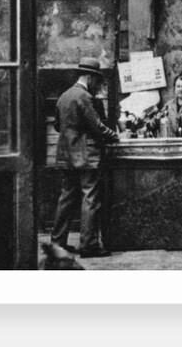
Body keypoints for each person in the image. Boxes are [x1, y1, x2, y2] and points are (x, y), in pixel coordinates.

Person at [50, 57, 119, 258]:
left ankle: (58, 243)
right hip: (86, 157)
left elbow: (57, 126)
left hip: (65, 155)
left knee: (66, 199)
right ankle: (89, 245)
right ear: (89, 77)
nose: (97, 85)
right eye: (97, 81)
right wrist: (114, 136)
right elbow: (97, 126)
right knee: (90, 198)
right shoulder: (84, 97)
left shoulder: (64, 96)